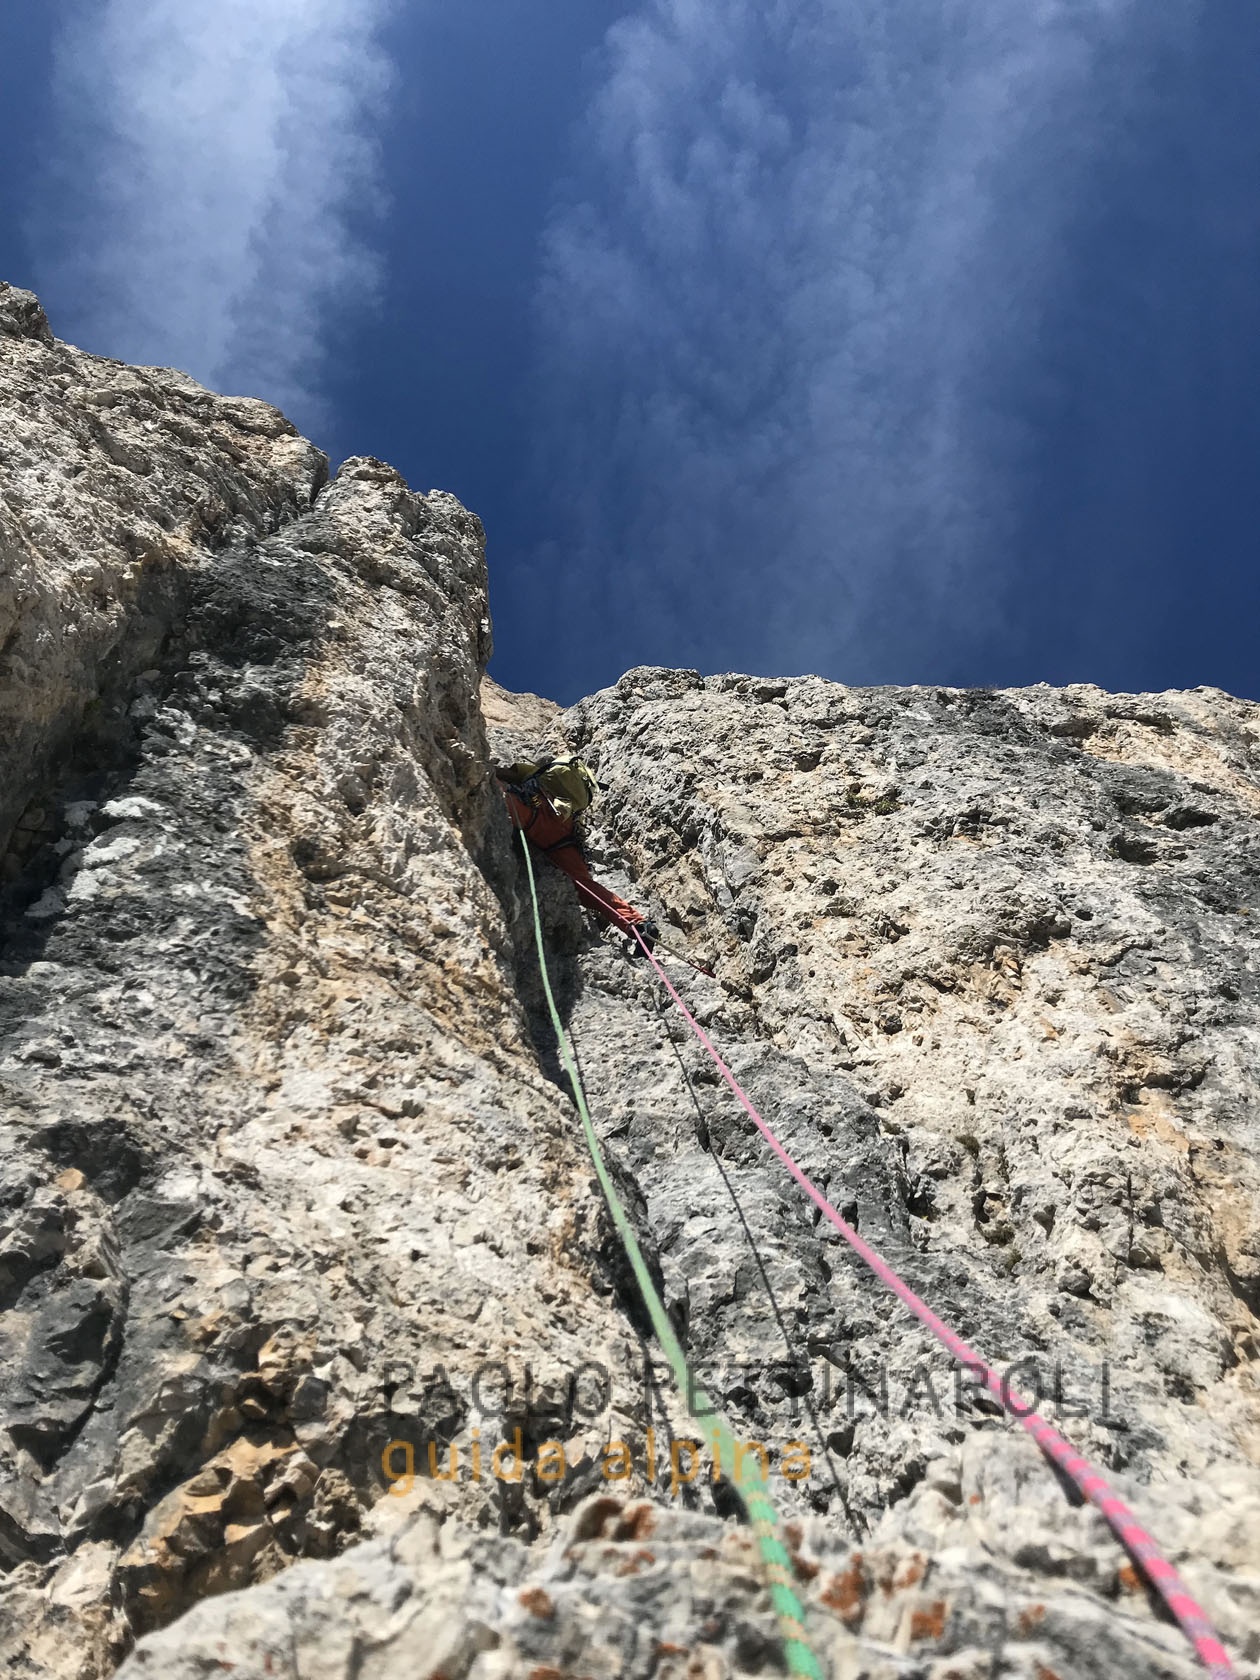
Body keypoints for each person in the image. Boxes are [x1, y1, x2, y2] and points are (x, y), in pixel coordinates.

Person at [495, 755, 657, 951]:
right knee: (585, 887)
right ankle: (639, 926)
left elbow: (498, 777)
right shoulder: (556, 792)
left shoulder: (528, 774)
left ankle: (637, 926)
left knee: (498, 797)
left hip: (537, 816)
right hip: (563, 830)